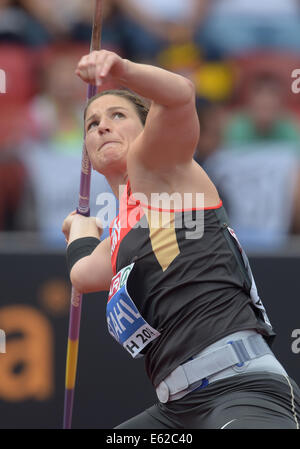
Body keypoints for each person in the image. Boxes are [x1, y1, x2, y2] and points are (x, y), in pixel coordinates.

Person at [62, 49, 300, 429]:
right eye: (91, 124)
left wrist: (121, 70)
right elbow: (83, 273)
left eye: (117, 115)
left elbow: (180, 94)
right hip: (177, 409)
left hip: (241, 388)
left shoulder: (157, 167)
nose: (101, 127)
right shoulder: (122, 231)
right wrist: (80, 230)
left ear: (149, 130)